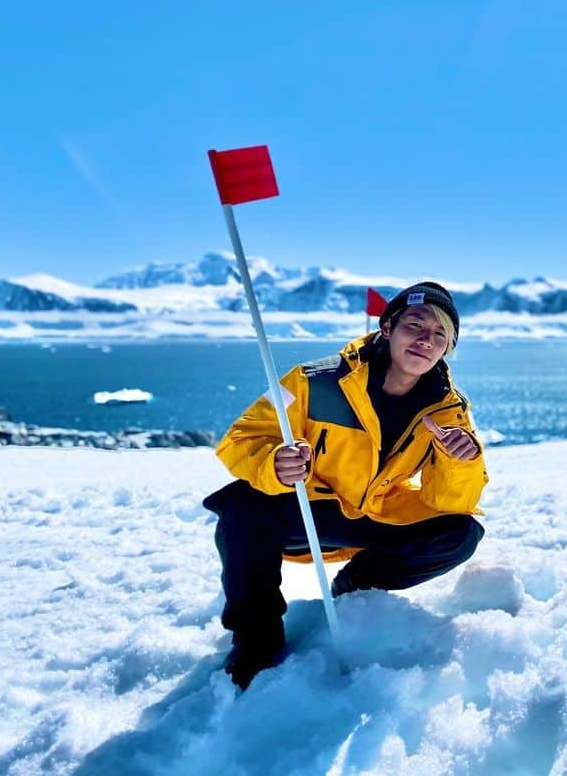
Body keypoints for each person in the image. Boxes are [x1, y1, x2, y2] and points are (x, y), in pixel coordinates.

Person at [203, 282, 488, 689]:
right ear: (387, 328)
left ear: (447, 349)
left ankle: (357, 585)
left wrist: (462, 461)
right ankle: (256, 639)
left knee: (461, 532)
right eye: (415, 325)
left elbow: (449, 501)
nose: (427, 340)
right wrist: (274, 463)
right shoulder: (311, 380)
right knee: (242, 507)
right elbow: (243, 436)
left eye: (440, 335)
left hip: (375, 513)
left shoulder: (450, 408)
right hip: (309, 508)